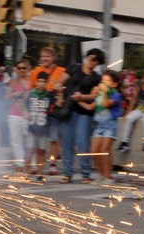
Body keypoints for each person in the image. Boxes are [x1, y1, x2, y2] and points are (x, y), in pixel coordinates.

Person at [56, 48, 104, 184]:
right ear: (87, 57)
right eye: (90, 58)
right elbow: (60, 83)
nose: (92, 61)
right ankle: (67, 173)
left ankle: (85, 173)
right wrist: (59, 91)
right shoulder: (73, 67)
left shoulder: (97, 77)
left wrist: (82, 97)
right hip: (68, 109)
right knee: (67, 143)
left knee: (83, 143)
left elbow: (97, 95)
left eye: (95, 60)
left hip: (85, 111)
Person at [29, 47, 65, 175]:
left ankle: (53, 164)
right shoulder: (36, 71)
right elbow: (31, 89)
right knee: (38, 138)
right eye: (42, 56)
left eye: (47, 56)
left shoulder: (61, 71)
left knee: (53, 138)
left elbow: (64, 89)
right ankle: (37, 164)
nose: (44, 58)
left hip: (53, 110)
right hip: (39, 111)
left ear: (53, 58)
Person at [84, 71, 122, 185]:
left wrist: (104, 92)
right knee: (94, 152)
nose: (103, 84)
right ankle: (101, 175)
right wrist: (78, 101)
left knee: (104, 151)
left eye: (107, 81)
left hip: (110, 126)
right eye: (102, 81)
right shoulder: (99, 96)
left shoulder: (116, 95)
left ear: (114, 84)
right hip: (99, 126)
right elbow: (92, 106)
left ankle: (108, 176)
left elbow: (106, 104)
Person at [117, 65, 144, 153]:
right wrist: (128, 111)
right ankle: (124, 143)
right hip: (140, 107)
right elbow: (134, 98)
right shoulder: (140, 83)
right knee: (129, 118)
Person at [26, 71, 55, 180]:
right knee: (29, 149)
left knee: (41, 150)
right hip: (32, 126)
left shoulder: (50, 95)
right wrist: (26, 113)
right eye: (40, 81)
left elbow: (56, 106)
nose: (42, 84)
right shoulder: (31, 94)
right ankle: (27, 173)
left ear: (46, 83)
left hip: (43, 127)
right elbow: (24, 106)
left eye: (44, 82)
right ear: (36, 82)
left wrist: (60, 94)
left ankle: (39, 173)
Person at [5, 59, 32, 168]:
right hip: (15, 113)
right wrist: (15, 93)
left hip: (29, 114)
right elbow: (6, 97)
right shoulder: (14, 82)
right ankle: (19, 162)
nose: (22, 70)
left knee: (30, 140)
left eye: (24, 68)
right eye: (19, 68)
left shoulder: (32, 81)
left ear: (28, 68)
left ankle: (32, 164)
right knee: (16, 140)